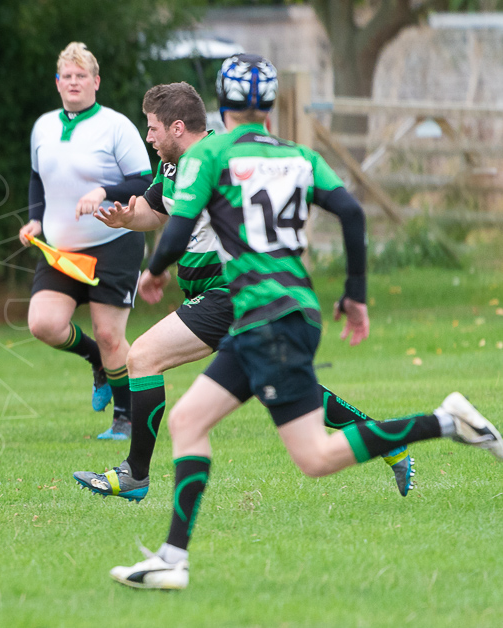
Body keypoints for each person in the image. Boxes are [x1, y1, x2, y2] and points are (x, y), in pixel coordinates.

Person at [109, 54, 502, 590]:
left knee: (314, 457)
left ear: (222, 107)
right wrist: (356, 295)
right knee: (189, 421)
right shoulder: (298, 156)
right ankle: (172, 560)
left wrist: (153, 273)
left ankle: (445, 422)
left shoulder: (213, 153)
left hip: (266, 319)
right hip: (279, 314)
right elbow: (354, 213)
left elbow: (176, 227)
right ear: (269, 107)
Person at [71, 82, 413, 501]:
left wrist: (155, 269)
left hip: (227, 292)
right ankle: (387, 440)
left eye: (153, 127)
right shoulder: (176, 166)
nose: (149, 136)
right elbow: (157, 210)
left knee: (142, 357)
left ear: (177, 127)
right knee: (287, 386)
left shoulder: (215, 160)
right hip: (229, 297)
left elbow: (190, 226)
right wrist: (127, 218)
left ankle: (135, 474)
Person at [19, 42, 153, 440]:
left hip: (114, 242)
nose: (74, 82)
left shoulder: (115, 125)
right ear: (58, 83)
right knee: (44, 324)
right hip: (61, 250)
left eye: (82, 76)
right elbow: (35, 179)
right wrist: (34, 219)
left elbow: (145, 181)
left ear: (96, 81)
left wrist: (103, 191)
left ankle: (125, 418)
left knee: (112, 334)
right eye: (67, 76)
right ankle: (95, 360)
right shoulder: (43, 125)